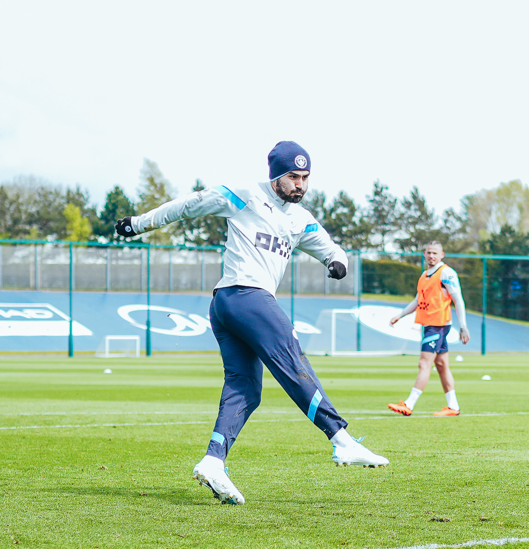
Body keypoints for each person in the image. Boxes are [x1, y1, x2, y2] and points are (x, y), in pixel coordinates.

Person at [115, 141, 388, 505]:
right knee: (292, 360)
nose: (300, 184)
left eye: (305, 178)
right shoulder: (243, 196)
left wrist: (337, 263)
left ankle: (213, 460)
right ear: (276, 174)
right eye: (293, 176)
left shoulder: (299, 218)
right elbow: (189, 205)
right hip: (246, 296)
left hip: (227, 306)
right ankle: (340, 439)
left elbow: (332, 248)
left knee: (246, 388)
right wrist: (138, 224)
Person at [387, 241, 470, 417]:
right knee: (441, 365)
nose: (431, 256)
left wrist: (463, 326)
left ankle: (409, 404)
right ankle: (453, 406)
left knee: (424, 363)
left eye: (435, 253)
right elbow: (418, 301)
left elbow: (458, 300)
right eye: (429, 252)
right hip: (429, 325)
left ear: (442, 255)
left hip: (438, 326)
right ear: (424, 254)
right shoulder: (424, 275)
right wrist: (400, 315)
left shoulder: (446, 273)